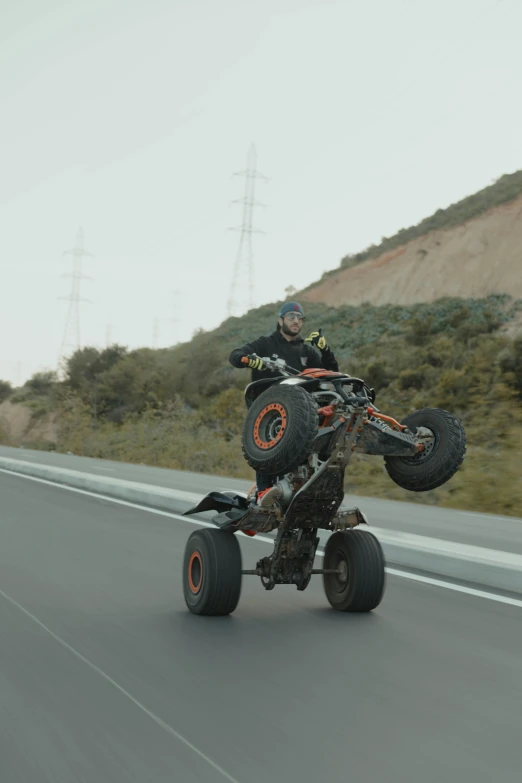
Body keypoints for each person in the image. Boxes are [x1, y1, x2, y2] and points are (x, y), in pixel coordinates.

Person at [229, 301, 339, 506]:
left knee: (324, 438)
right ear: (280, 320)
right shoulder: (266, 343)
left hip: (301, 410)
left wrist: (325, 350)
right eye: (291, 317)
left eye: (299, 318)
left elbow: (330, 374)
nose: (296, 321)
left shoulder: (307, 351)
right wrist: (249, 360)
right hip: (269, 407)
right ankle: (263, 493)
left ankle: (310, 492)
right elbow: (235, 355)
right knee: (268, 445)